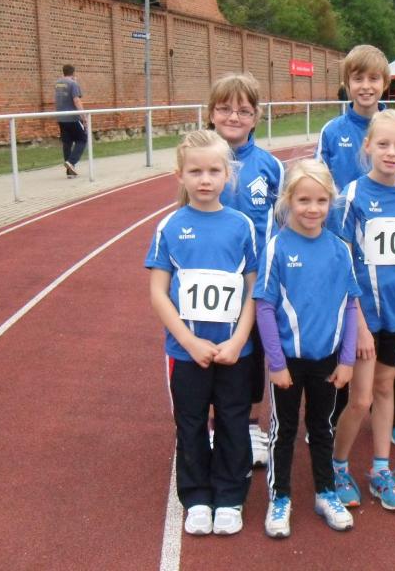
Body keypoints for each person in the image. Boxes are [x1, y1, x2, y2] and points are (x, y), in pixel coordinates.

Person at [145, 130, 258, 535]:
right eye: (195, 172)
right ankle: (195, 497)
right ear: (180, 175)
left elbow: (254, 290)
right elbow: (158, 293)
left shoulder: (242, 226)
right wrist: (189, 341)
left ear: (228, 175)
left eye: (213, 171)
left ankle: (230, 495)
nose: (205, 179)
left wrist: (239, 340)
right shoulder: (170, 226)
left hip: (234, 352)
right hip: (185, 351)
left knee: (233, 421)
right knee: (190, 423)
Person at [315, 44, 395, 445]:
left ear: (385, 83)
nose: (365, 86)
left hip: (386, 252)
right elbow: (318, 180)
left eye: (373, 79)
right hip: (343, 242)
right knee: (348, 334)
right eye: (357, 78)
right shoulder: (333, 131)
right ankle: (335, 413)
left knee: (390, 334)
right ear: (347, 83)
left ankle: (393, 412)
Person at [254, 159, 361, 538]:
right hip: (288, 363)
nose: (312, 208)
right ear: (288, 200)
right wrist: (276, 363)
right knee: (283, 430)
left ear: (330, 201)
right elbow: (264, 307)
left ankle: (325, 492)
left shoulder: (339, 249)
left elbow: (351, 305)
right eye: (303, 200)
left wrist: (347, 359)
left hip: (327, 361)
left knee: (322, 428)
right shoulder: (277, 248)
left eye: (320, 200)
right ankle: (280, 497)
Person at [329, 110, 395, 511]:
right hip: (362, 317)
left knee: (385, 391)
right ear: (367, 146)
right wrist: (360, 325)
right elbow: (341, 264)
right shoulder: (351, 196)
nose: (391, 152)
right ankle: (337, 466)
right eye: (383, 144)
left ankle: (381, 469)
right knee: (361, 399)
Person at [208, 73, 286, 469]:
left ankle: (253, 426)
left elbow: (283, 223)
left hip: (256, 283)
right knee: (210, 352)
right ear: (211, 114)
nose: (233, 116)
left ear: (256, 117)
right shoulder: (202, 160)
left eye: (243, 110)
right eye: (224, 108)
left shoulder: (270, 166)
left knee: (253, 356)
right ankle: (214, 425)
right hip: (211, 281)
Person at [54, 64, 86, 178]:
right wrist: (83, 116)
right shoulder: (73, 83)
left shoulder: (57, 83)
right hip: (73, 118)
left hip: (61, 117)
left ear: (63, 72)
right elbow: (76, 100)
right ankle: (71, 162)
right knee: (82, 139)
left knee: (67, 143)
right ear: (73, 72)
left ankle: (69, 172)